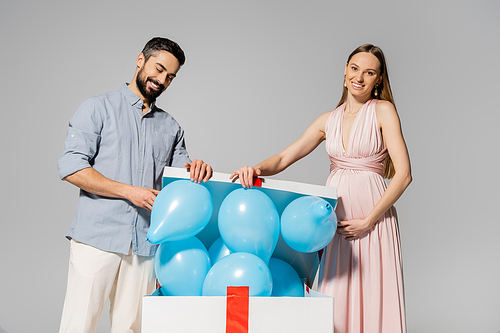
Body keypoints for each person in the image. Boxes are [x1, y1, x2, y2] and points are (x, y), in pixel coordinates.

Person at [231, 44, 411, 333]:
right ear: (345, 71)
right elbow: (283, 158)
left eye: (369, 72)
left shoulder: (383, 111)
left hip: (373, 220)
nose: (360, 78)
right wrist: (256, 169)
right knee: (336, 293)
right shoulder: (328, 119)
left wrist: (368, 221)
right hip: (336, 220)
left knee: (375, 290)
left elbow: (403, 175)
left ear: (378, 80)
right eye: (355, 69)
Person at [57, 37, 212, 333]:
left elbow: (183, 180)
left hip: (145, 245)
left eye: (170, 76)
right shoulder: (97, 108)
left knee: (132, 329)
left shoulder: (172, 127)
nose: (162, 80)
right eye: (159, 68)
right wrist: (130, 192)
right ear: (140, 60)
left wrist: (200, 170)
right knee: (78, 326)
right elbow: (72, 167)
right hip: (96, 238)